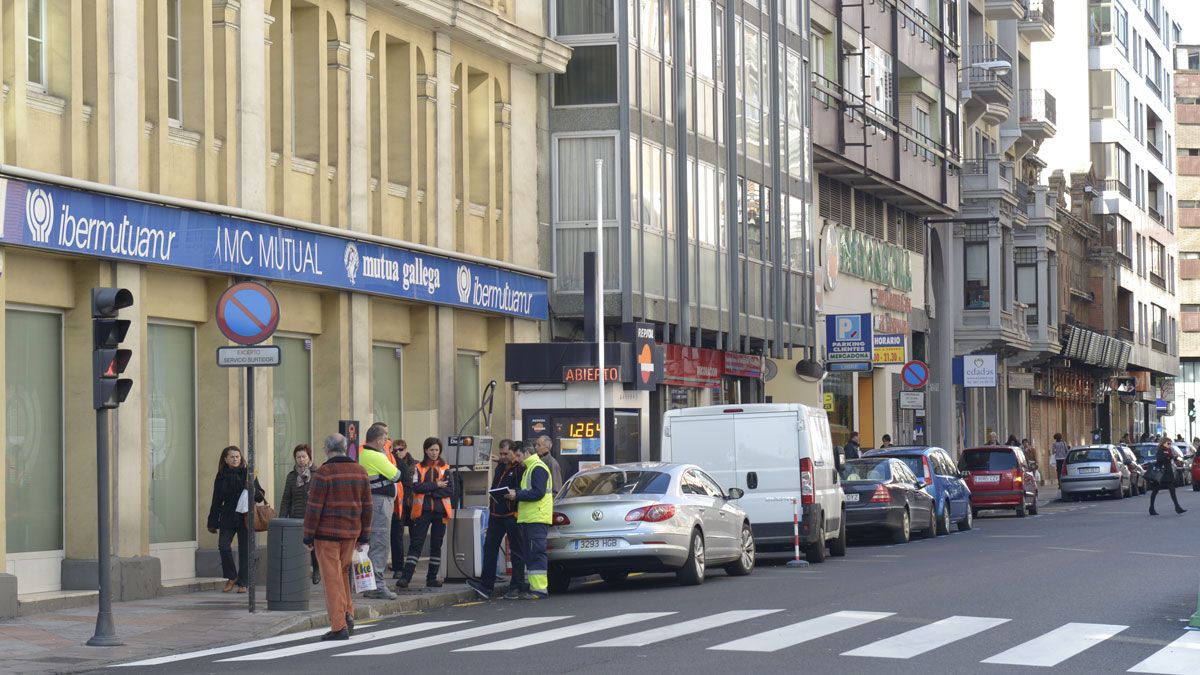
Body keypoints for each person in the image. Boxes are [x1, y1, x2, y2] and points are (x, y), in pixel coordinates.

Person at [303, 434, 373, 641]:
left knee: (332, 580)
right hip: (351, 534)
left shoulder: (324, 473)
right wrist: (364, 536)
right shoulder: (360, 471)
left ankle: (338, 625)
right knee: (343, 576)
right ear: (345, 448)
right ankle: (347, 614)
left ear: (326, 449)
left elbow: (314, 508)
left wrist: (308, 536)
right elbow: (367, 508)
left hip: (327, 535)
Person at [466, 439, 527, 600]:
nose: (503, 456)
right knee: (490, 549)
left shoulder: (520, 468)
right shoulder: (501, 465)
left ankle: (516, 585)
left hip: (512, 515)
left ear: (514, 452)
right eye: (501, 454)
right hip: (496, 514)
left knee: (516, 552)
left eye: (506, 454)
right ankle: (486, 585)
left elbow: (523, 489)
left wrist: (513, 494)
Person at [357, 422, 408, 599]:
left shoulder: (363, 454)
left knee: (372, 544)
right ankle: (377, 586)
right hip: (379, 504)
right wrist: (387, 456)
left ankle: (370, 585)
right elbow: (397, 475)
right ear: (378, 440)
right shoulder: (376, 457)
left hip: (373, 502)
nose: (387, 441)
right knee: (380, 543)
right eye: (385, 438)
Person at [397, 437, 455, 589]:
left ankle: (431, 578)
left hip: (440, 512)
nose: (434, 453)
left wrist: (429, 491)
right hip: (423, 511)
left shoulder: (446, 468)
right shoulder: (418, 467)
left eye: (437, 450)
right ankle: (405, 578)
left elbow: (449, 490)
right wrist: (436, 485)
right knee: (416, 543)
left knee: (436, 545)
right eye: (431, 450)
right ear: (425, 450)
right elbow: (415, 487)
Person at [206, 445, 264, 594]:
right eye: (232, 457)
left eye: (237, 456)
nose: (235, 459)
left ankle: (243, 582)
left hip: (245, 516)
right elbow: (216, 500)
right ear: (225, 459)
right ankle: (232, 576)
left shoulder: (248, 473)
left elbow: (259, 495)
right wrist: (212, 521)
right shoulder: (221, 475)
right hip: (228, 516)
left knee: (245, 550)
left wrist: (252, 487)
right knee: (223, 546)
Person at [507, 442, 553, 599]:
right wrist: (517, 492)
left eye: (519, 455)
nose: (518, 459)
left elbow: (538, 493)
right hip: (531, 518)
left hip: (537, 517)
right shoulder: (531, 468)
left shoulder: (537, 467)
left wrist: (517, 495)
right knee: (531, 553)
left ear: (527, 453)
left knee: (536, 553)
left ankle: (539, 589)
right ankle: (536, 587)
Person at [280, 443, 321, 585]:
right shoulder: (291, 477)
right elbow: (286, 498)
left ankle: (316, 570)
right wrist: (282, 517)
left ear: (309, 457)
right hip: (296, 516)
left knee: (313, 546)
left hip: (314, 516)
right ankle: (299, 573)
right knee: (298, 546)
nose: (301, 459)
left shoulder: (317, 474)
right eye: (298, 457)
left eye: (304, 456)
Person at [388, 438, 416, 580]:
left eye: (401, 449)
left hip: (411, 504)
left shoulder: (414, 465)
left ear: (406, 450)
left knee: (414, 536)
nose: (398, 452)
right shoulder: (391, 463)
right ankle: (398, 567)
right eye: (395, 449)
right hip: (398, 504)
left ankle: (411, 564)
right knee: (397, 536)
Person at [1149, 438, 1187, 516]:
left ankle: (1177, 507)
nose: (1170, 445)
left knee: (1172, 489)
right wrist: (1168, 457)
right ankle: (1151, 508)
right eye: (1168, 443)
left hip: (1167, 473)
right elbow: (1159, 459)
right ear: (1163, 443)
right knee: (1155, 490)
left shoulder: (1168, 451)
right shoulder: (1161, 450)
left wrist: (1175, 457)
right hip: (1161, 474)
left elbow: (1170, 458)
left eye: (1170, 443)